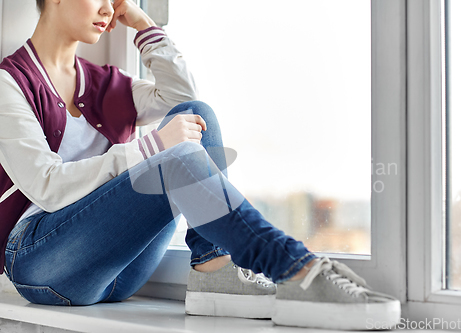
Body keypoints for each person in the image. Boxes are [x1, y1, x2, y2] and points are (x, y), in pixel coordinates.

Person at [0, 0, 400, 330]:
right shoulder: (10, 82)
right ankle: (296, 267)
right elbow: (46, 185)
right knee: (176, 157)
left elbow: (183, 98)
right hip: (43, 261)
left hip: (118, 268)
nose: (108, 8)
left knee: (196, 112)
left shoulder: (105, 82)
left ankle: (214, 269)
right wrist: (152, 146)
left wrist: (143, 24)